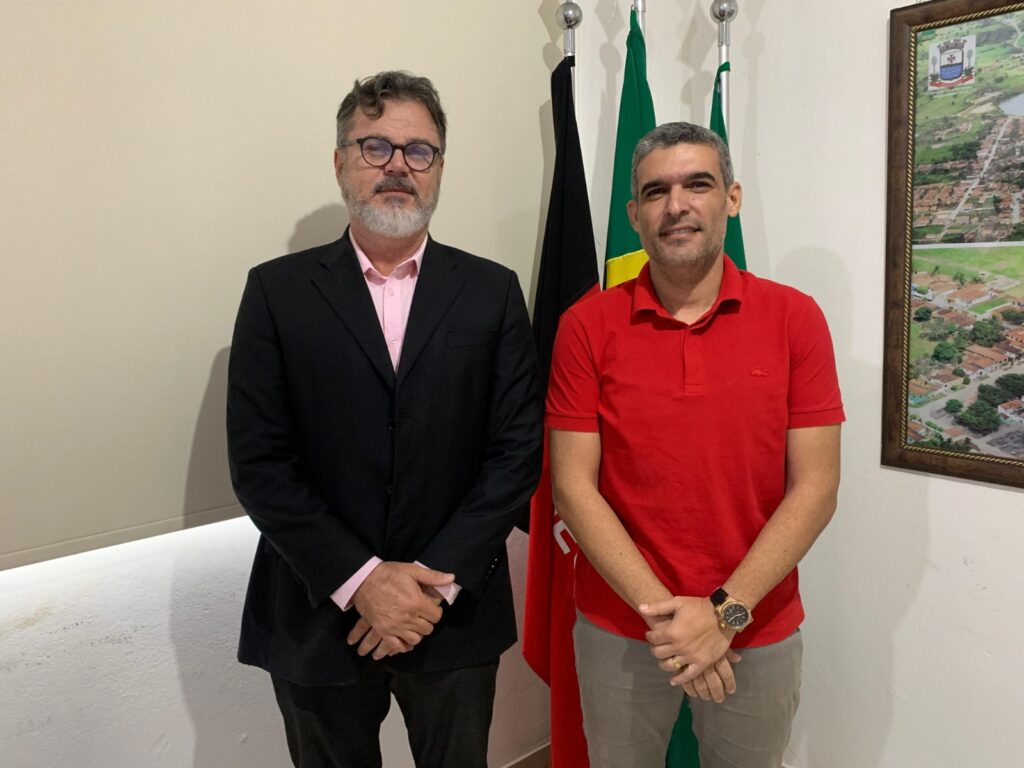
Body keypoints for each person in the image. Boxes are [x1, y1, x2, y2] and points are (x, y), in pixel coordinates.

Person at [227, 70, 542, 768]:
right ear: (341, 161)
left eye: (419, 150)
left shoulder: (492, 292)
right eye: (376, 146)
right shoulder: (276, 293)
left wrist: (430, 581)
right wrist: (363, 581)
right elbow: (260, 464)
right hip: (317, 607)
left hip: (452, 610)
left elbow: (516, 452)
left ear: (439, 168)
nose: (398, 164)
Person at [546, 121, 844, 768]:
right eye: (656, 191)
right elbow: (572, 486)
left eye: (697, 184)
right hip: (622, 628)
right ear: (634, 215)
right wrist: (673, 622)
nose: (676, 205)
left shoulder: (796, 319)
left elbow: (817, 488)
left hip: (755, 626)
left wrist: (724, 614)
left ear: (731, 198)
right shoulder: (585, 326)